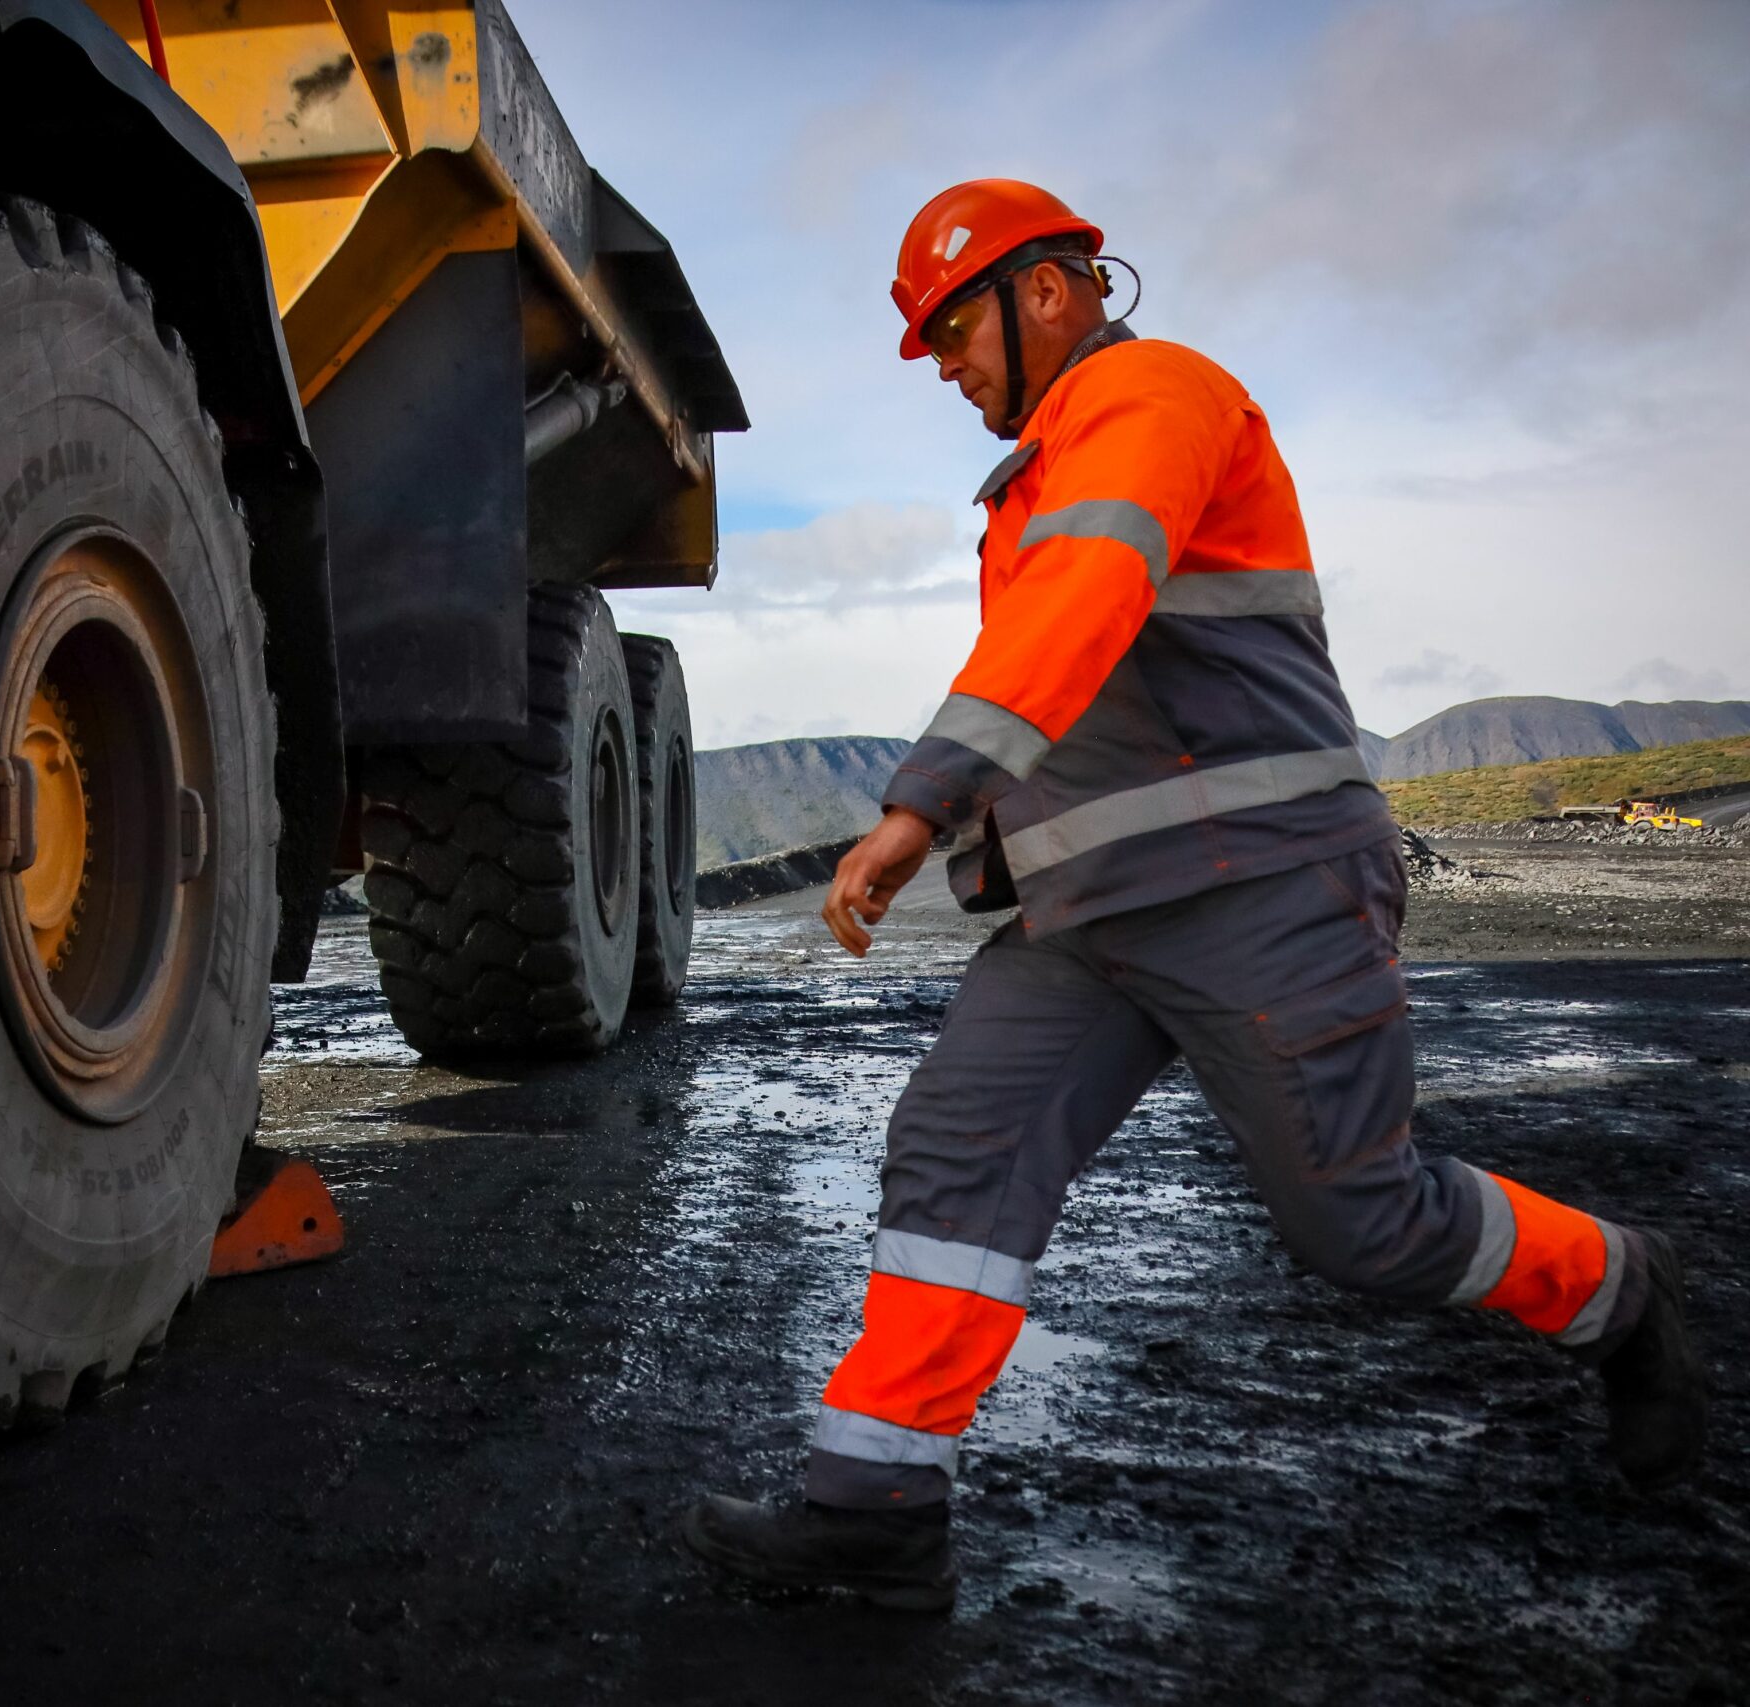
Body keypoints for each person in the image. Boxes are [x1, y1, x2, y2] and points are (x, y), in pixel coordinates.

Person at [682, 179, 1708, 1613]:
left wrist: (926, 799)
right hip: (1089, 918)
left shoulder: (1155, 397)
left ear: (1049, 292)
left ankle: (1617, 1287)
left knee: (1363, 1224)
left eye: (952, 330)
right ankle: (875, 1508)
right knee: (956, 1158)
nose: (945, 366)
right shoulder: (1035, 472)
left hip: (1264, 890)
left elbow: (1084, 598)